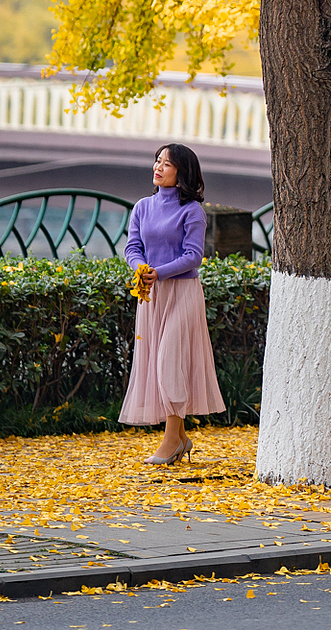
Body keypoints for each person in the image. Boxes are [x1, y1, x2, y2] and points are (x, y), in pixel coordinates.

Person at [120, 142, 225, 464]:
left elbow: (193, 256)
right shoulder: (142, 207)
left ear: (182, 172)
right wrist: (141, 268)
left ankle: (170, 441)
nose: (158, 167)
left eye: (166, 163)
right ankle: (180, 440)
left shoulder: (192, 211)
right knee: (158, 363)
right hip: (151, 294)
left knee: (170, 363)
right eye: (157, 161)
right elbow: (132, 247)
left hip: (182, 293)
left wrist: (159, 272)